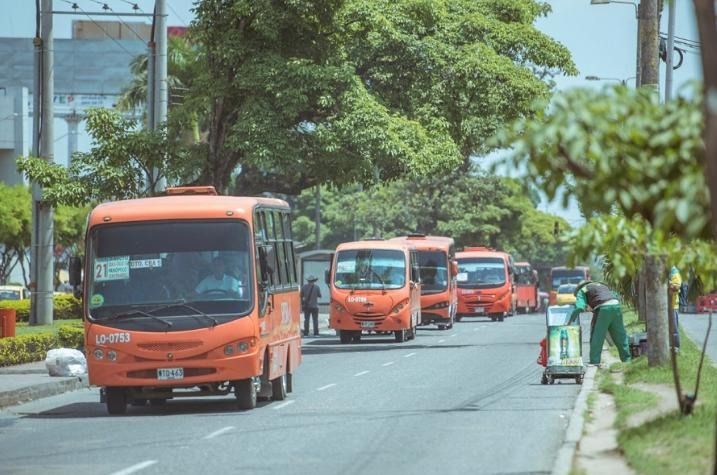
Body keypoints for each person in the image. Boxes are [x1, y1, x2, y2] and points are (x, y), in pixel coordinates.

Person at [568, 280, 631, 365]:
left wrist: (572, 318)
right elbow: (614, 295)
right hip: (616, 306)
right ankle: (627, 359)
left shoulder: (582, 290)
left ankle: (595, 362)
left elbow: (580, 305)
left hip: (602, 309)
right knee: (620, 335)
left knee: (596, 336)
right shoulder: (602, 286)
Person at [669, 266, 683, 351]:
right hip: (665, 306)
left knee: (674, 329)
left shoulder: (674, 271)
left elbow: (677, 286)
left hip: (673, 305)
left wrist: (668, 284)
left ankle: (676, 348)